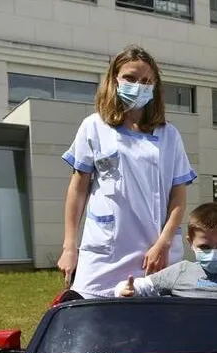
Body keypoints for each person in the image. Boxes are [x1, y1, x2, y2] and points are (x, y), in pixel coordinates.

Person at [58, 45, 195, 298]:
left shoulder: (169, 135)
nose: (138, 86)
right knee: (94, 316)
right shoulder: (94, 127)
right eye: (130, 78)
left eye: (146, 81)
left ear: (154, 87)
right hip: (105, 250)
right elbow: (77, 191)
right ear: (114, 80)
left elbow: (178, 199)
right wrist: (70, 246)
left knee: (153, 323)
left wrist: (163, 243)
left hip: (156, 253)